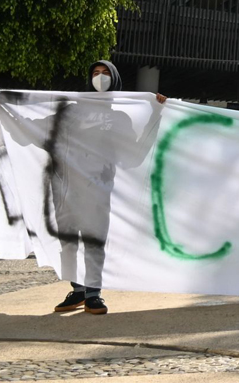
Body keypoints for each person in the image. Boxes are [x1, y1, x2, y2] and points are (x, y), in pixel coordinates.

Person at [52, 61, 166, 315]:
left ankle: (93, 293)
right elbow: (42, 130)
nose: (100, 78)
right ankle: (77, 289)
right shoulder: (71, 112)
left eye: (105, 74)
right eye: (95, 73)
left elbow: (133, 154)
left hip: (98, 188)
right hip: (66, 188)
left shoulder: (118, 118)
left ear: (114, 80)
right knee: (68, 241)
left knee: (94, 239)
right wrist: (8, 107)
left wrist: (155, 115)